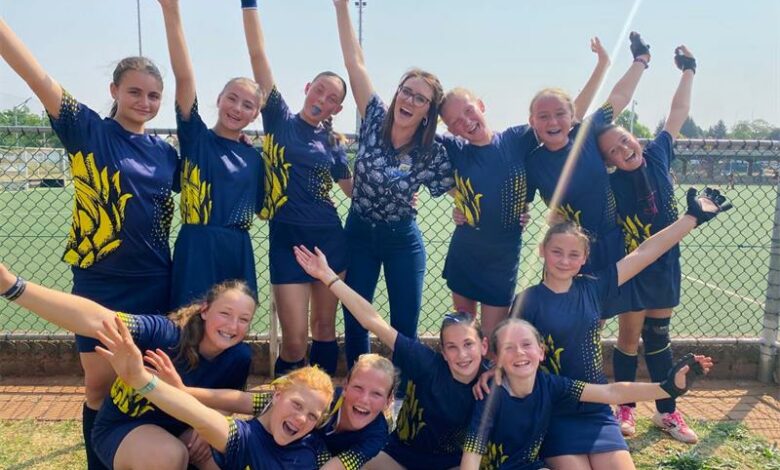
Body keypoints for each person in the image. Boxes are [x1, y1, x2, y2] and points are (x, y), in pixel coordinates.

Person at [0, 18, 178, 469]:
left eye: (154, 95)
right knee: (99, 385)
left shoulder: (166, 153)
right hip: (101, 280)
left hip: (156, 280)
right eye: (135, 92)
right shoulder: (88, 130)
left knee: (143, 379)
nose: (145, 102)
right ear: (114, 90)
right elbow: (36, 76)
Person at [507, 187, 731, 469]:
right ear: (542, 251)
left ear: (585, 257)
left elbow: (644, 253)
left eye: (574, 254)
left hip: (597, 407)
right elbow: (509, 353)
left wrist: (691, 218)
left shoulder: (593, 288)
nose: (564, 260)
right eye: (556, 252)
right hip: (554, 409)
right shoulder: (527, 301)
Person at [0, 263, 256, 469]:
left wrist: (213, 421)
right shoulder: (166, 333)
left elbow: (228, 401)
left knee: (226, 453)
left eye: (243, 319)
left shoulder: (239, 357)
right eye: (225, 313)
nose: (232, 326)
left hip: (181, 427)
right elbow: (99, 320)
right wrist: (12, 286)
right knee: (168, 455)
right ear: (205, 310)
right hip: (126, 428)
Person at [439, 38, 610, 337]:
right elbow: (416, 136)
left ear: (481, 105)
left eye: (468, 110)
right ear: (450, 129)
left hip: (503, 256)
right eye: (454, 121)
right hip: (465, 251)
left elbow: (568, 114)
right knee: (463, 330)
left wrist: (601, 67)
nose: (465, 122)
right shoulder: (455, 149)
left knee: (493, 335)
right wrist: (461, 203)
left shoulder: (518, 139)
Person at [332, 0, 455, 374]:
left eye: (421, 98)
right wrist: (341, 7)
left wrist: (480, 209)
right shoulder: (373, 117)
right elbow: (355, 63)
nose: (410, 100)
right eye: (407, 91)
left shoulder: (431, 152)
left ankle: (402, 394)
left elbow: (463, 190)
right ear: (397, 92)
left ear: (427, 112)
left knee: (404, 326)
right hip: (358, 234)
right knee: (356, 318)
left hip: (402, 240)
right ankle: (359, 385)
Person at [295, 245, 487, 470]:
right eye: (452, 347)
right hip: (399, 456)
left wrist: (498, 371)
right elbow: (372, 320)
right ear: (443, 353)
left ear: (483, 346)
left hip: (450, 464)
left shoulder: (490, 382)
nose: (462, 354)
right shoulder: (425, 362)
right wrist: (328, 276)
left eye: (468, 344)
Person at [241, 0, 353, 376]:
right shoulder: (278, 118)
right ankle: (284, 405)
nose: (323, 100)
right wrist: (249, 5)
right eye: (319, 90)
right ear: (307, 88)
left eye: (332, 98)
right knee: (293, 341)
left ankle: (321, 404)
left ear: (337, 110)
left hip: (328, 240)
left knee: (324, 329)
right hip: (287, 241)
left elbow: (352, 190)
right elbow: (258, 55)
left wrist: (400, 193)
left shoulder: (334, 142)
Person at [597, 46, 700, 442]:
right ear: (609, 161)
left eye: (625, 141)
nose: (624, 150)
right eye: (614, 151)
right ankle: (625, 407)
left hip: (665, 264)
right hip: (633, 267)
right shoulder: (610, 185)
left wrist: (688, 71)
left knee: (658, 338)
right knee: (628, 338)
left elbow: (678, 112)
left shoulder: (657, 156)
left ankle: (667, 411)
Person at [461, 318, 712, 470]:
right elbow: (473, 451)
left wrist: (667, 388)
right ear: (496, 359)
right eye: (508, 348)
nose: (519, 353)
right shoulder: (491, 398)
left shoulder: (550, 385)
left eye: (527, 344)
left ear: (541, 351)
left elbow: (611, 392)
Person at [93, 317, 334, 470]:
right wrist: (141, 378)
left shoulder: (315, 448)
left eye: (313, 416)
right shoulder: (242, 438)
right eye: (297, 404)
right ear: (278, 395)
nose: (301, 418)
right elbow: (196, 413)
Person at [525, 32, 652, 318]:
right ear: (532, 121)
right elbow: (519, 202)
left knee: (614, 315)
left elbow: (620, 97)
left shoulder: (586, 133)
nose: (553, 121)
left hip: (611, 241)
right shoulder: (532, 162)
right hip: (568, 251)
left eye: (560, 114)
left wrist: (641, 60)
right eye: (543, 116)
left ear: (572, 116)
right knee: (570, 318)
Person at [158, 0, 265, 310]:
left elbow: (262, 209)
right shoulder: (196, 139)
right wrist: (171, 12)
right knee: (188, 320)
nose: (237, 108)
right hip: (196, 246)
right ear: (219, 99)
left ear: (255, 114)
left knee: (232, 321)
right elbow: (184, 78)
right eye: (232, 98)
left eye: (248, 105)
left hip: (236, 248)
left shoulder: (255, 159)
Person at [147, 350, 397, 470]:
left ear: (388, 401)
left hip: (312, 458)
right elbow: (245, 401)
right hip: (284, 443)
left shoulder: (375, 436)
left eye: (377, 394)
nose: (364, 399)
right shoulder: (325, 399)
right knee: (195, 443)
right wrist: (184, 390)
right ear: (346, 385)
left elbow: (335, 467)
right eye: (358, 387)